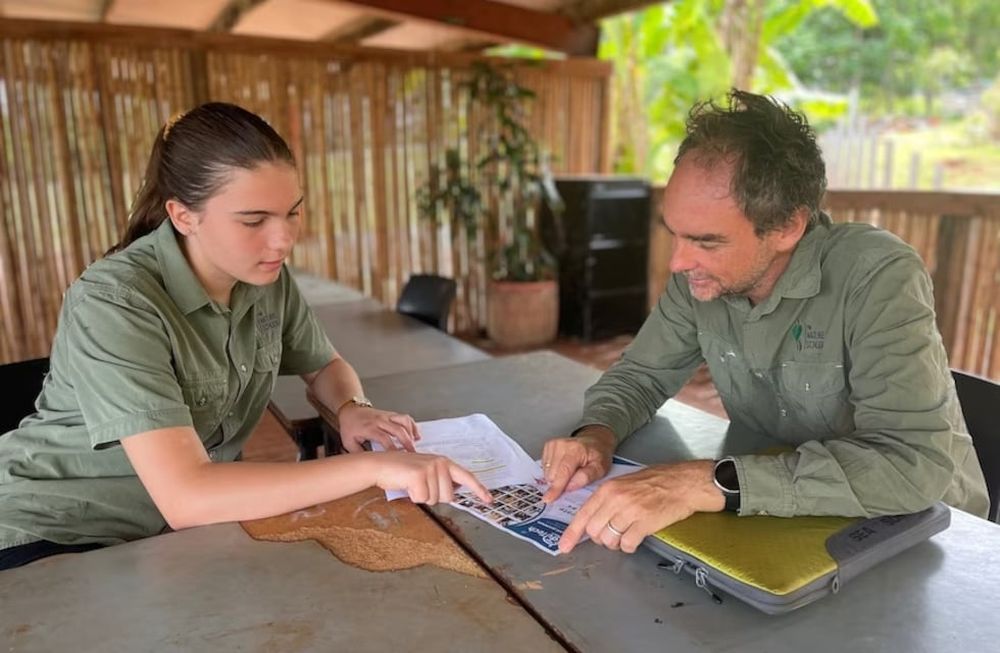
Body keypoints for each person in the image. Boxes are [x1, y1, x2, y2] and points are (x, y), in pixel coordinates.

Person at [0, 102, 489, 571]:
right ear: (183, 215)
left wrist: (351, 408)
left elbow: (323, 365)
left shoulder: (263, 276)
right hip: (53, 536)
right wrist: (376, 469)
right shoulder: (115, 302)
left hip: (174, 537)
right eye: (254, 220)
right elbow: (188, 494)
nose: (282, 240)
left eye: (292, 213)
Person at [543, 90, 989, 555]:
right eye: (673, 233)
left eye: (707, 241)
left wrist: (709, 481)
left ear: (787, 228)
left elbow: (910, 466)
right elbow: (640, 377)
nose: (678, 261)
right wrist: (596, 435)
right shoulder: (703, 279)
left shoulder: (876, 275)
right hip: (787, 522)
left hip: (932, 538)